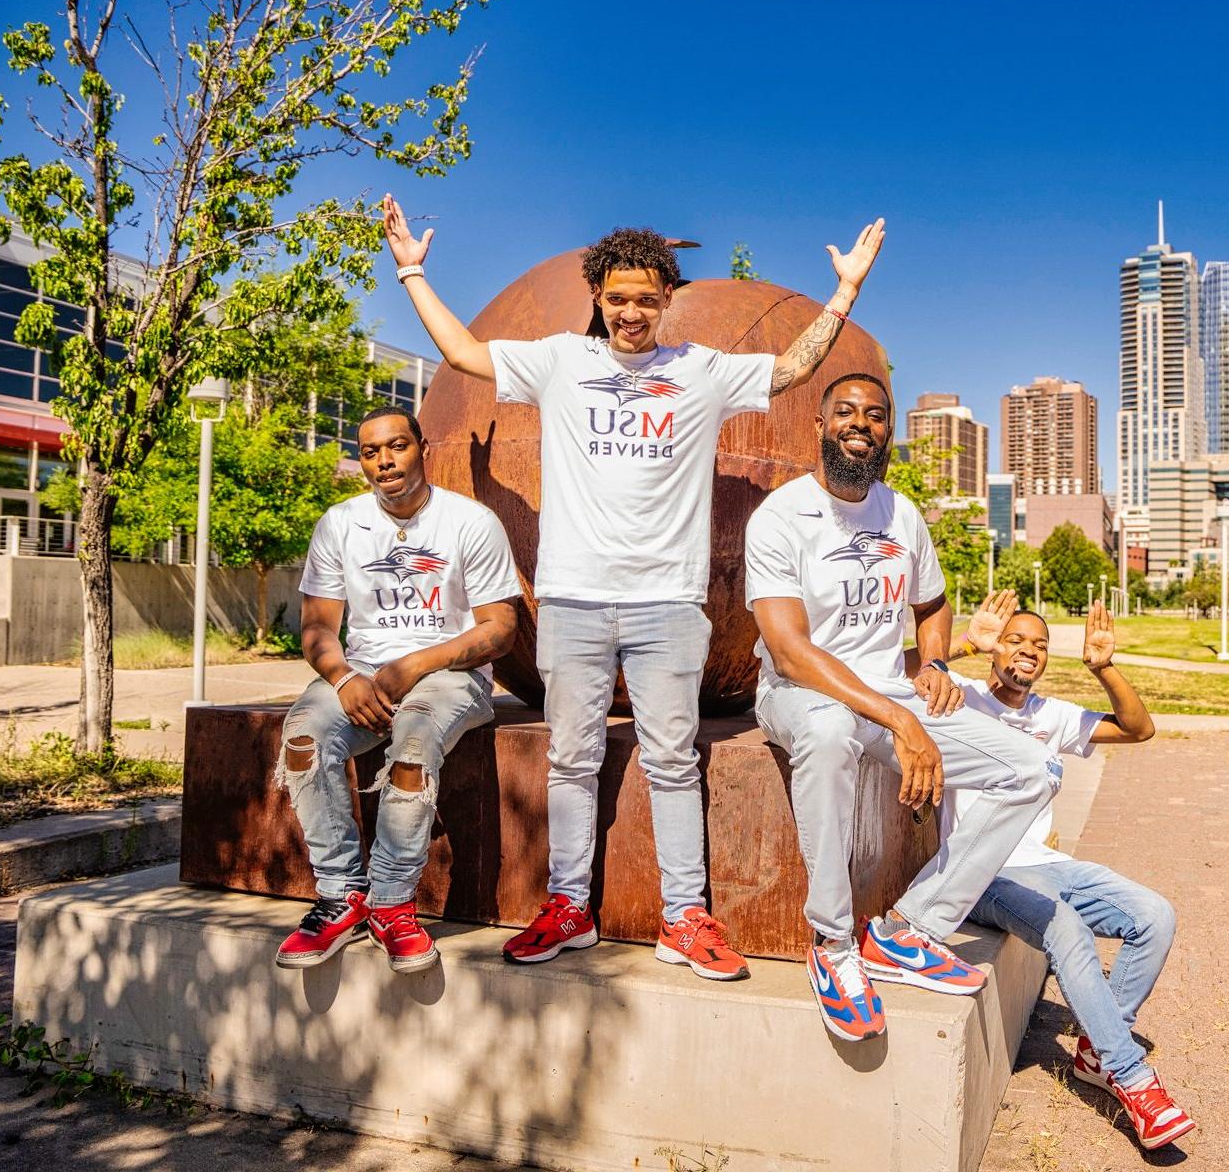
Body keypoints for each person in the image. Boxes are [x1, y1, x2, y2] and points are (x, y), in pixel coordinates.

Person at [381, 194, 886, 980]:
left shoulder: (699, 373)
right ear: (598, 298)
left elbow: (790, 369)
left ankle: (684, 916)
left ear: (665, 300)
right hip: (575, 600)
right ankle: (568, 908)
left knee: (672, 761)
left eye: (646, 299)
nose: (631, 312)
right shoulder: (559, 361)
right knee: (572, 760)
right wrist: (412, 272)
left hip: (668, 605)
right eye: (617, 299)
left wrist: (844, 293)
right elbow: (465, 355)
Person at [745, 372, 1061, 1041]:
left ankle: (906, 930)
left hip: (889, 697)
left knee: (1033, 770)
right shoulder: (780, 515)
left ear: (889, 431)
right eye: (845, 412)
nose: (860, 424)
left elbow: (932, 603)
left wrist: (937, 663)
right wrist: (899, 719)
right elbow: (790, 649)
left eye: (876, 415)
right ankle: (832, 948)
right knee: (829, 732)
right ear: (819, 425)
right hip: (797, 693)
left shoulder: (901, 514)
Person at [273, 406, 520, 975]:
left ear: (422, 448)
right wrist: (343, 678)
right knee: (304, 735)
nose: (384, 461)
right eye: (370, 452)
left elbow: (500, 630)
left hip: (450, 677)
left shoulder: (470, 521)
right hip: (360, 674)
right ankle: (340, 894)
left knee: (413, 739)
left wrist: (414, 666)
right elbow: (315, 629)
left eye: (397, 446)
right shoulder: (340, 523)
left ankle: (390, 902)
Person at [957, 603, 1196, 1150]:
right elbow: (891, 678)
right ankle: (1134, 1081)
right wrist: (965, 644)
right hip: (984, 870)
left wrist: (1103, 669)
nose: (1028, 650)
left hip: (1047, 863)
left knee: (1154, 915)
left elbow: (1140, 729)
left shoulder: (1052, 715)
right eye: (1015, 639)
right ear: (996, 646)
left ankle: (1094, 1048)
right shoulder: (960, 698)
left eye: (1039, 644)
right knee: (1067, 930)